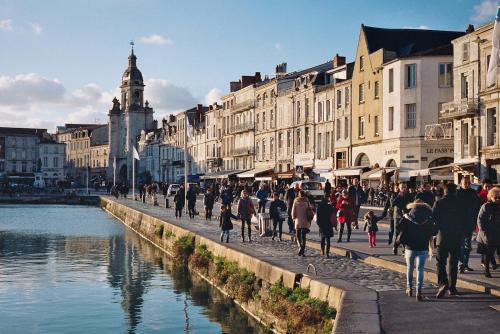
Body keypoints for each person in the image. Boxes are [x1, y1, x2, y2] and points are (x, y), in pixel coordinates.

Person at [397, 200, 437, 301]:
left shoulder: (407, 216)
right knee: (420, 269)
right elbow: (434, 231)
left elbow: (398, 227)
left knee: (409, 268)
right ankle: (419, 291)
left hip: (409, 247)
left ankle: (409, 288)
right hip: (423, 247)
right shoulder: (428, 217)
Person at [433, 183, 466, 298]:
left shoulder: (439, 202)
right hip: (456, 236)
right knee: (453, 262)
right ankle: (452, 288)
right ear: (455, 191)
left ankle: (443, 283)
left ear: (445, 191)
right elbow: (465, 219)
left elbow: (434, 219)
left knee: (440, 262)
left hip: (442, 236)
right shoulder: (460, 203)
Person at [457, 176, 481, 274]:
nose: (467, 184)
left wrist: (476, 222)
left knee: (467, 246)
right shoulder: (457, 193)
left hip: (470, 223)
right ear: (461, 183)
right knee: (461, 245)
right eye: (465, 183)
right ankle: (461, 264)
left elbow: (477, 207)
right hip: (459, 224)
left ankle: (464, 264)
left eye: (468, 183)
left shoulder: (473, 193)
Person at [476, 187, 500, 278]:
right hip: (488, 234)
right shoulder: (486, 206)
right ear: (491, 197)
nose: (497, 199)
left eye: (499, 197)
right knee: (488, 254)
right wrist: (484, 234)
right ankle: (486, 270)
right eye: (495, 197)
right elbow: (480, 221)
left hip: (498, 232)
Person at [391, 182, 414, 255]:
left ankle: (404, 248)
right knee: (397, 233)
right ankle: (395, 246)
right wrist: (398, 196)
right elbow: (392, 204)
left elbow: (413, 204)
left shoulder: (409, 195)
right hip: (398, 216)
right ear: (399, 188)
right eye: (402, 187)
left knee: (406, 233)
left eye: (405, 187)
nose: (404, 189)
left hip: (407, 216)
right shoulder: (395, 195)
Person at [292, 190, 314, 256]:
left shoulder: (296, 201)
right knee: (304, 236)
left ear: (299, 194)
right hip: (305, 221)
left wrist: (293, 217)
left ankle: (300, 247)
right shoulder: (307, 201)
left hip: (298, 221)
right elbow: (310, 209)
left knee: (298, 235)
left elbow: (293, 211)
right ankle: (303, 250)